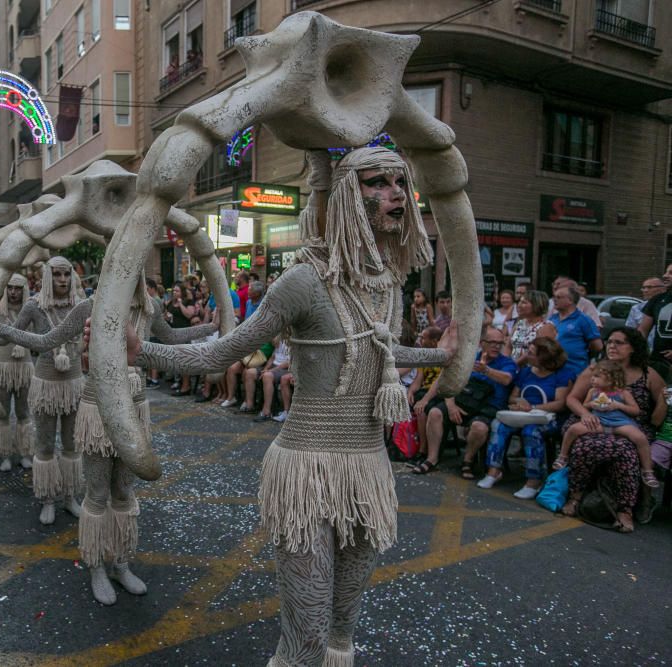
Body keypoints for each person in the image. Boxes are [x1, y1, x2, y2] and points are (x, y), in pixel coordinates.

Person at [114, 147, 459, 666]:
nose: (394, 195)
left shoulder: (388, 281)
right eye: (376, 183)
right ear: (346, 195)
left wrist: (443, 353)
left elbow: (383, 347)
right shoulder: (300, 281)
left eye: (398, 183)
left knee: (342, 626)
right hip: (305, 469)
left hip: (367, 468)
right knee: (309, 628)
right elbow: (222, 352)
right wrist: (146, 352)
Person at [0, 276, 214, 605]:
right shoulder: (88, 308)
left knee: (123, 491)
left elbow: (172, 339)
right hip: (98, 410)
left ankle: (120, 563)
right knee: (96, 493)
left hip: (135, 411)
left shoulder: (149, 309)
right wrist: (5, 331)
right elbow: (47, 339)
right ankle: (95, 566)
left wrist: (211, 326)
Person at [1, 256, 86, 525]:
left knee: (73, 444)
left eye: (67, 274)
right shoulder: (33, 306)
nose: (63, 280)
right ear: (49, 277)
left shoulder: (82, 306)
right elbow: (14, 335)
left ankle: (70, 497)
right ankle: (47, 499)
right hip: (45, 383)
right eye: (58, 275)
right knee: (46, 444)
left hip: (74, 383)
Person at [560, 328, 666, 533]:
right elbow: (572, 398)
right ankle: (575, 497)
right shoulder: (596, 369)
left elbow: (661, 404)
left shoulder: (647, 374)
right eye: (609, 342)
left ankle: (624, 510)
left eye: (619, 343)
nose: (612, 346)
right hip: (595, 420)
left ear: (633, 348)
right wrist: (584, 413)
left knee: (625, 450)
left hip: (630, 425)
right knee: (585, 445)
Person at [476, 337, 574, 497]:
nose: (526, 355)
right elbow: (513, 397)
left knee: (531, 431)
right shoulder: (526, 372)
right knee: (498, 425)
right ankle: (493, 471)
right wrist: (520, 403)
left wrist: (533, 407)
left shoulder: (563, 374)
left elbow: (560, 404)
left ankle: (533, 480)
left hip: (550, 417)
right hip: (524, 414)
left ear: (544, 357)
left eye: (531, 353)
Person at [414, 325, 516, 477]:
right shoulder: (470, 358)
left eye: (500, 343)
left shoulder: (507, 362)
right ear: (482, 343)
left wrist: (486, 371)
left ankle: (467, 461)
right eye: (492, 342)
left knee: (479, 428)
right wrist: (450, 404)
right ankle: (431, 459)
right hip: (464, 401)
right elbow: (449, 380)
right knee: (435, 412)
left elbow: (507, 379)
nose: (496, 346)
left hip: (488, 407)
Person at [555, 359, 656, 487]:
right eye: (593, 376)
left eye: (597, 376)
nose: (592, 379)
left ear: (610, 379)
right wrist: (591, 404)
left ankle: (647, 470)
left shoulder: (623, 393)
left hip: (620, 424)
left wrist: (618, 405)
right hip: (600, 422)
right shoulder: (593, 392)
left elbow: (635, 411)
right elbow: (585, 405)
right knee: (573, 429)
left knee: (640, 437)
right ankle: (563, 456)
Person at [0, 273, 35, 472]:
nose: (14, 292)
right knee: (3, 413)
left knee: (24, 412)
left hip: (24, 366)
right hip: (1, 366)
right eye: (10, 288)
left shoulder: (33, 310)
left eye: (18, 288)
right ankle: (4, 454)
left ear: (24, 290)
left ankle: (25, 453)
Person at [408, 326, 445, 462]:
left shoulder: (444, 357)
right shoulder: (425, 356)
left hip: (438, 393)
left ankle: (423, 449)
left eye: (424, 338)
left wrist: (424, 399)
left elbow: (441, 383)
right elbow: (418, 380)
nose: (421, 340)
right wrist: (410, 392)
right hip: (424, 391)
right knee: (411, 401)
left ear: (434, 341)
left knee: (422, 409)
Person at [549, 285, 602, 373]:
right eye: (554, 297)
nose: (554, 300)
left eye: (558, 297)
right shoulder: (552, 319)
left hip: (574, 368)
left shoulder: (583, 320)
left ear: (570, 300)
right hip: (552, 368)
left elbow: (597, 346)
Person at [636, 263, 672, 382]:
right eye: (666, 272)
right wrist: (639, 351)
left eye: (671, 273)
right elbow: (642, 330)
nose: (665, 276)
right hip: (658, 361)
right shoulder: (657, 300)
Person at [505, 290, 556, 366]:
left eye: (524, 302)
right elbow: (508, 346)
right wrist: (504, 363)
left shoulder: (546, 326)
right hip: (513, 368)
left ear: (537, 305)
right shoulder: (520, 323)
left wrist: (513, 366)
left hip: (531, 371)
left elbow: (535, 352)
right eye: (519, 302)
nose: (519, 305)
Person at [246, 336, 290, 422]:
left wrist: (269, 371)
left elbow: (288, 363)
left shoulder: (293, 341)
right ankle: (249, 405)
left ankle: (266, 411)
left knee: (267, 376)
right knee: (250, 373)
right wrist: (265, 369)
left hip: (284, 369)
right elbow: (273, 357)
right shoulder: (280, 338)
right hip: (273, 367)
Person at [626, 275, 664, 350]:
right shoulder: (636, 309)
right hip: (644, 351)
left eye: (649, 287)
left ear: (662, 289)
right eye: (643, 287)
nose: (645, 290)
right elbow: (630, 332)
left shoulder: (667, 307)